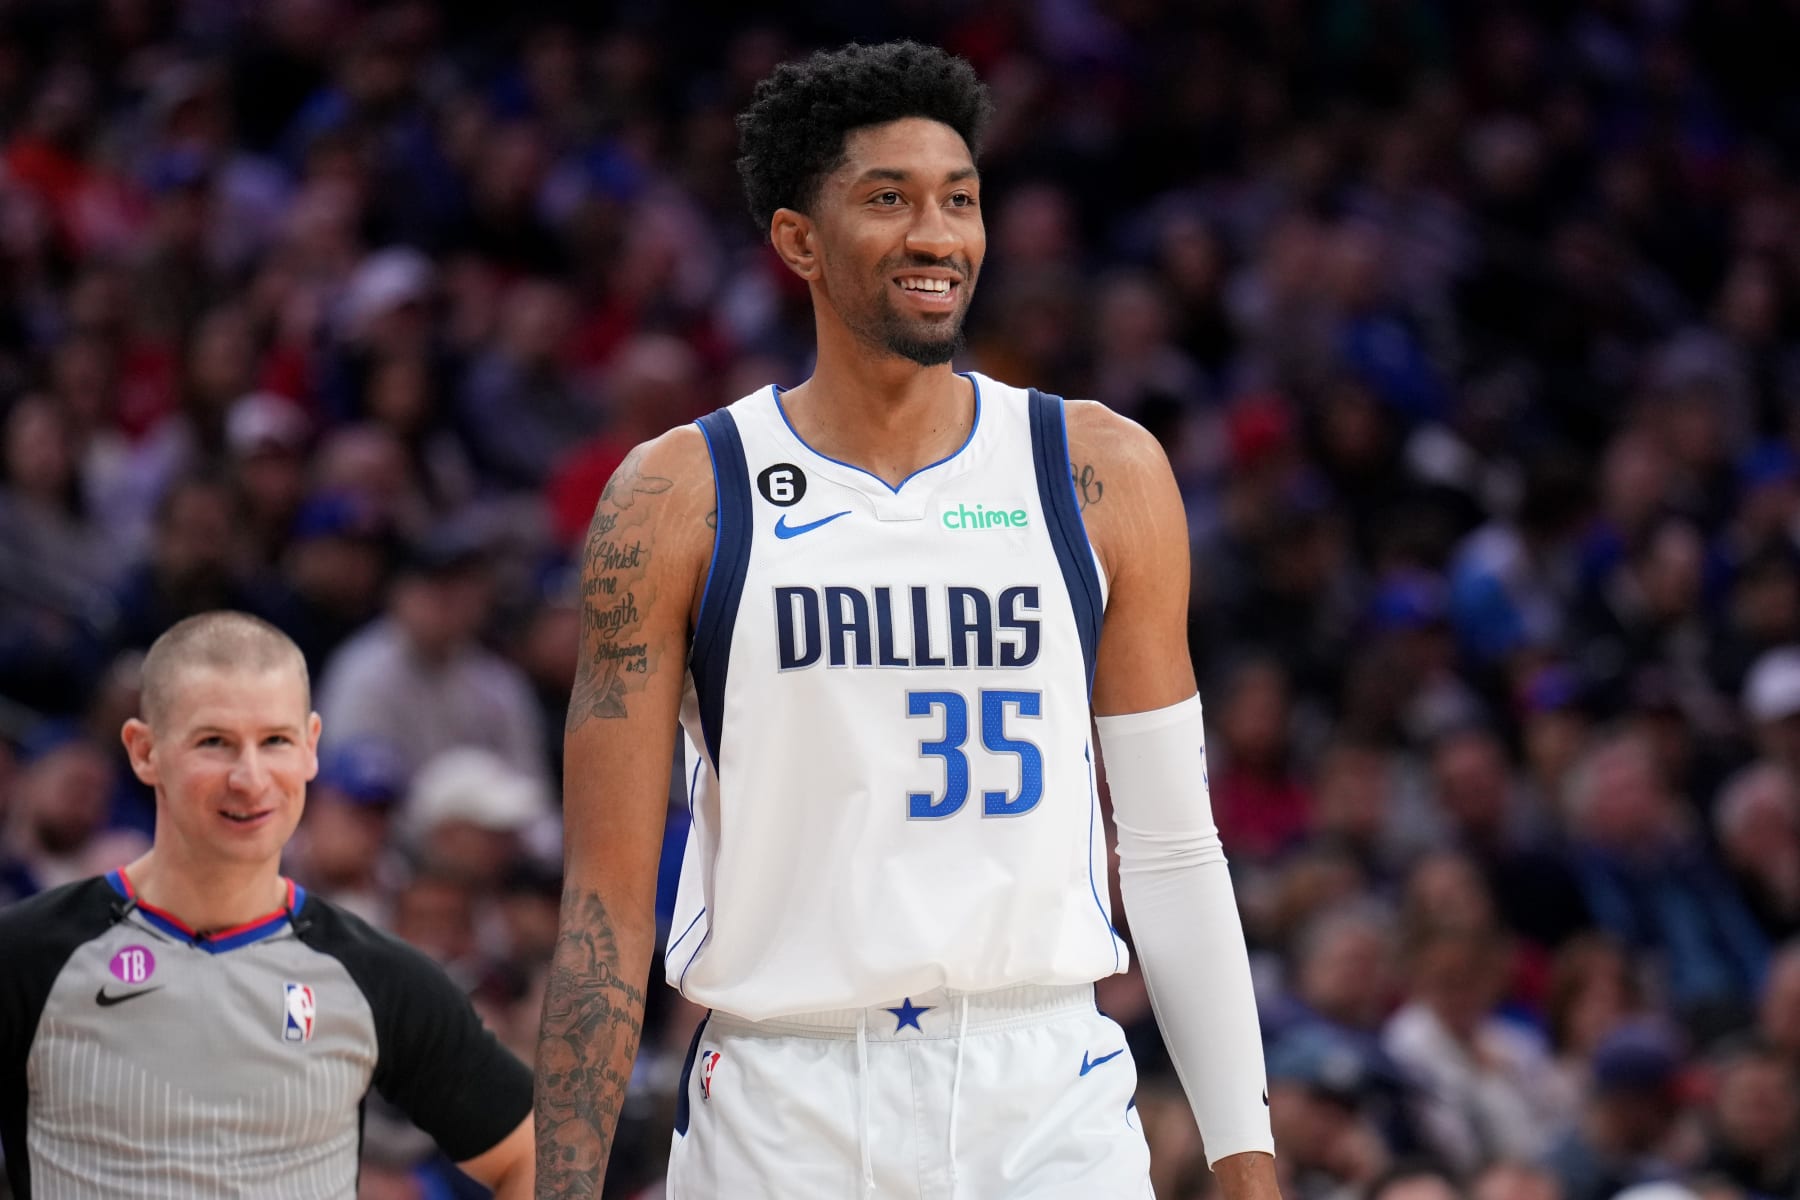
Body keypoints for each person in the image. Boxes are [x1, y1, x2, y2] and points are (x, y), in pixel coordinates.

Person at [537, 40, 1276, 1200]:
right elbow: (605, 903)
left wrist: (1245, 1162)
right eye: (889, 200)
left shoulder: (1096, 469)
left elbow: (1177, 851)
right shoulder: (679, 495)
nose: (939, 236)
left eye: (961, 201)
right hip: (784, 1100)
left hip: (1045, 1092)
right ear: (797, 242)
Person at [0, 611, 534, 1199]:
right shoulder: (30, 956)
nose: (250, 778)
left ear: (310, 749)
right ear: (145, 751)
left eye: (275, 741)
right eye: (215, 742)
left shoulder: (375, 976)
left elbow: (537, 1158)